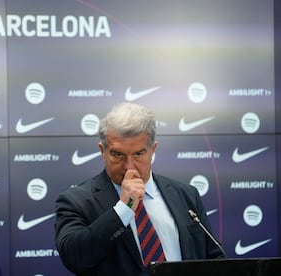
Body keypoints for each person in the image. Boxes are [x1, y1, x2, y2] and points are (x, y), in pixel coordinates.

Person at [55, 102, 225, 276]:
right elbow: (74, 257)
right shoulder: (77, 201)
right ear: (102, 151)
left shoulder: (186, 195)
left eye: (138, 154)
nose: (129, 167)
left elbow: (214, 258)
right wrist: (124, 209)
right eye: (118, 154)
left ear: (153, 150)